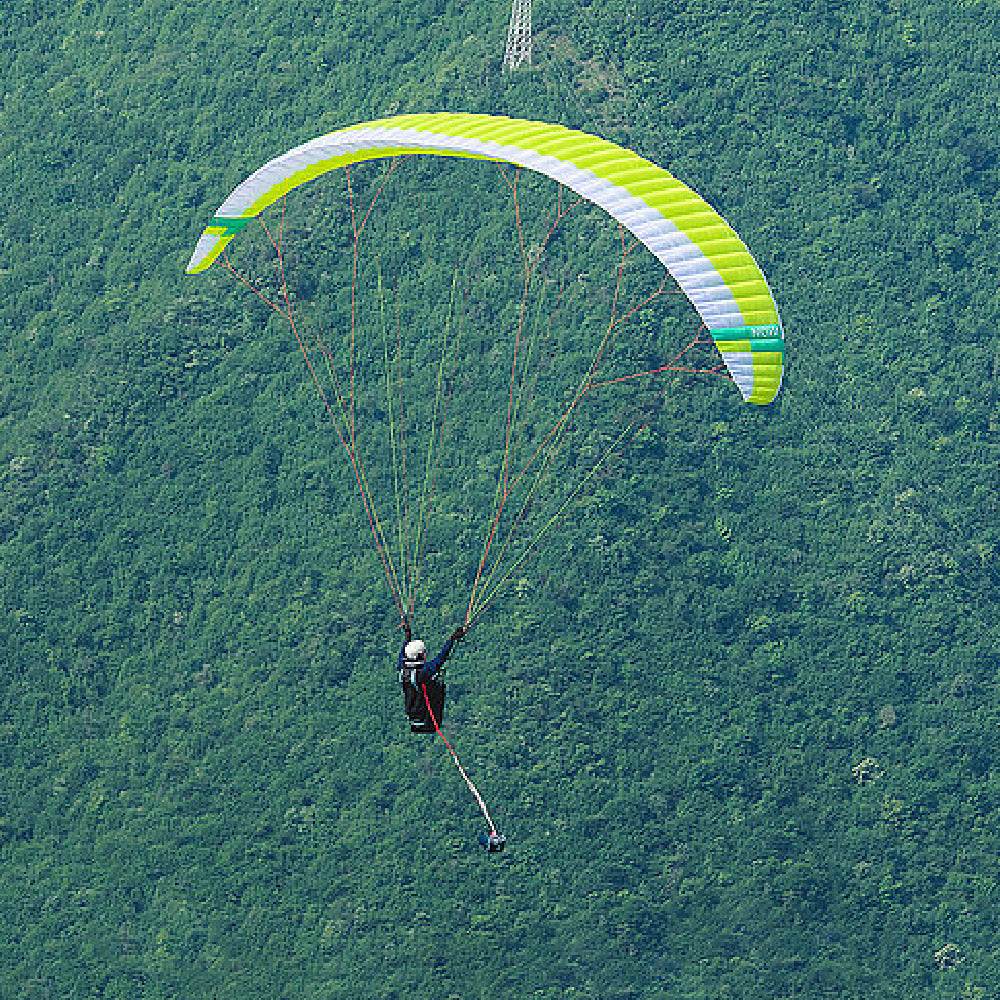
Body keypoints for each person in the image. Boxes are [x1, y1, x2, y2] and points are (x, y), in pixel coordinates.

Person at [398, 617, 465, 734]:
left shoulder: (403, 669)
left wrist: (407, 638)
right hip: (429, 722)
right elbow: (441, 658)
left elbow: (402, 654)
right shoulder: (423, 673)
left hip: (414, 720)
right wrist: (452, 639)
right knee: (437, 686)